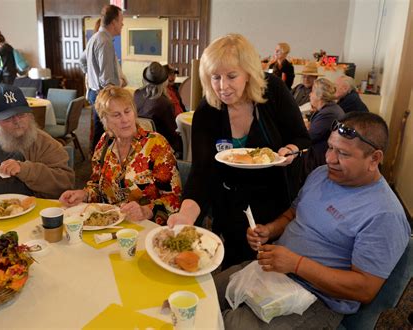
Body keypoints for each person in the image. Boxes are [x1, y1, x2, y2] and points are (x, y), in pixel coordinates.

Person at [215, 112, 410, 329]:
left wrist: (296, 264)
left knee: (231, 325)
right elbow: (294, 214)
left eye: (343, 154)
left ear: (374, 159)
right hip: (274, 271)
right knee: (203, 293)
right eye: (330, 147)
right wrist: (269, 230)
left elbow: (365, 289)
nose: (329, 159)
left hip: (317, 300)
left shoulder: (384, 214)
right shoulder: (321, 174)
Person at [167, 34, 310, 269]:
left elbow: (302, 137)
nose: (223, 87)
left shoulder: (272, 91)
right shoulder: (208, 111)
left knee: (273, 271)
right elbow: (202, 172)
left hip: (276, 198)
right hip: (231, 202)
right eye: (215, 77)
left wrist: (290, 150)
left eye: (232, 76)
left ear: (248, 73)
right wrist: (186, 215)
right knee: (235, 268)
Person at [59, 86, 181, 225]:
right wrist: (84, 194)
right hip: (109, 224)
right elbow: (97, 185)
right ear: (104, 120)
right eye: (116, 115)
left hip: (146, 226)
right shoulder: (104, 143)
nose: (125, 119)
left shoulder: (156, 145)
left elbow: (174, 199)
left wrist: (146, 210)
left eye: (127, 111)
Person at [0, 85, 75, 199]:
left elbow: (65, 183)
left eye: (21, 114)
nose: (17, 121)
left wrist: (26, 170)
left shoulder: (45, 143)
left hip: (32, 212)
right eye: (8, 117)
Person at [83, 5, 124, 153]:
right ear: (113, 22)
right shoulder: (104, 41)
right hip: (104, 94)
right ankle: (101, 166)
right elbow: (106, 79)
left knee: (100, 132)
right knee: (106, 134)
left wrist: (91, 74)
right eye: (121, 21)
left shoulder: (94, 37)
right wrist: (115, 99)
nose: (122, 24)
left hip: (96, 92)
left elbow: (82, 61)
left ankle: (97, 163)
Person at [134, 62, 182, 156]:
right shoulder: (165, 103)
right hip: (159, 147)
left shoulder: (137, 94)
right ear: (165, 82)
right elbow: (171, 133)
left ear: (145, 79)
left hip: (138, 144)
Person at [302, 78, 344, 178]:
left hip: (319, 160)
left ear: (319, 95)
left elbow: (308, 138)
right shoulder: (329, 109)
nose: (310, 95)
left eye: (312, 92)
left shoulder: (328, 113)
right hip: (321, 155)